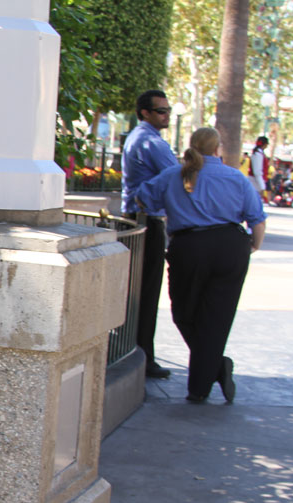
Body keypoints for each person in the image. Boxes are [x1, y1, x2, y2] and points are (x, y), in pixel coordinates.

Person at [136, 127, 267, 404]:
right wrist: (253, 245)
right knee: (217, 319)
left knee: (184, 314)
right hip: (230, 246)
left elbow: (142, 198)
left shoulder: (173, 175)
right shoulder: (235, 177)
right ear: (218, 149)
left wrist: (166, 208)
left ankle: (203, 383)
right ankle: (209, 374)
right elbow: (256, 217)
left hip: (189, 247)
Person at [121, 89, 179, 379]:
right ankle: (142, 355)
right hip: (145, 220)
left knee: (135, 292)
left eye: (168, 110)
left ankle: (135, 352)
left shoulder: (139, 138)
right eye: (161, 111)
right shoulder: (150, 142)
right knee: (145, 292)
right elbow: (178, 175)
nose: (166, 115)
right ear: (145, 112)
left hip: (137, 219)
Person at [249, 136, 269, 201]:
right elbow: (257, 172)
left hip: (257, 183)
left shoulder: (258, 154)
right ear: (265, 144)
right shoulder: (257, 155)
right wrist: (262, 187)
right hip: (255, 184)